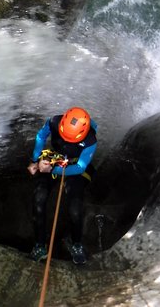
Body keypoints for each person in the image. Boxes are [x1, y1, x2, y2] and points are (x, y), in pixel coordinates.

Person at [27, 107, 97, 265]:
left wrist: (53, 169)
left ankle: (77, 244)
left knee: (75, 207)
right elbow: (40, 136)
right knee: (39, 199)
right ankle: (40, 245)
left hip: (73, 164)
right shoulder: (54, 122)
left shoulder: (90, 140)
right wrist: (35, 160)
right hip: (54, 157)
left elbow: (80, 167)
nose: (66, 140)